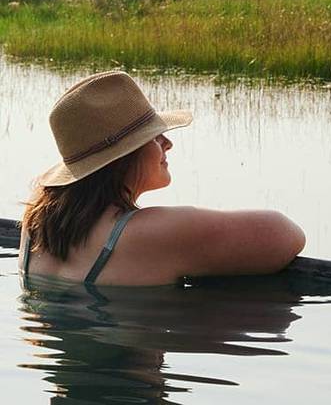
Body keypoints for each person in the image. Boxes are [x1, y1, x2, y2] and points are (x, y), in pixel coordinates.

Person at [19, 70, 306, 286]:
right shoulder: (149, 234)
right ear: (124, 156)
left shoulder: (36, 222)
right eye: (154, 136)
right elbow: (286, 235)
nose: (167, 143)